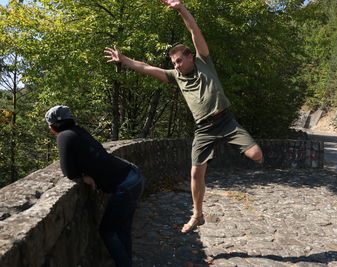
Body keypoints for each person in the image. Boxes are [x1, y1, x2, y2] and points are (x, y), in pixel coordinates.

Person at [104, 0, 263, 233]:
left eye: (179, 60)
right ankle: (198, 214)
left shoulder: (204, 61)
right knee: (195, 172)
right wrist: (125, 60)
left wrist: (181, 8)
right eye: (174, 63)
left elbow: (194, 30)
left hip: (226, 122)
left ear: (189, 56)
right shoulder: (176, 76)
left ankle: (226, 149)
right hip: (204, 129)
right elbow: (147, 68)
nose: (176, 66)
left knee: (257, 155)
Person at [45, 105, 144, 267]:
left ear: (55, 125)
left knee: (108, 231)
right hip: (134, 176)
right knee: (122, 230)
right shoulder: (79, 131)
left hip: (125, 185)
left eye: (50, 125)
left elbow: (68, 171)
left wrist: (82, 177)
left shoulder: (64, 136)